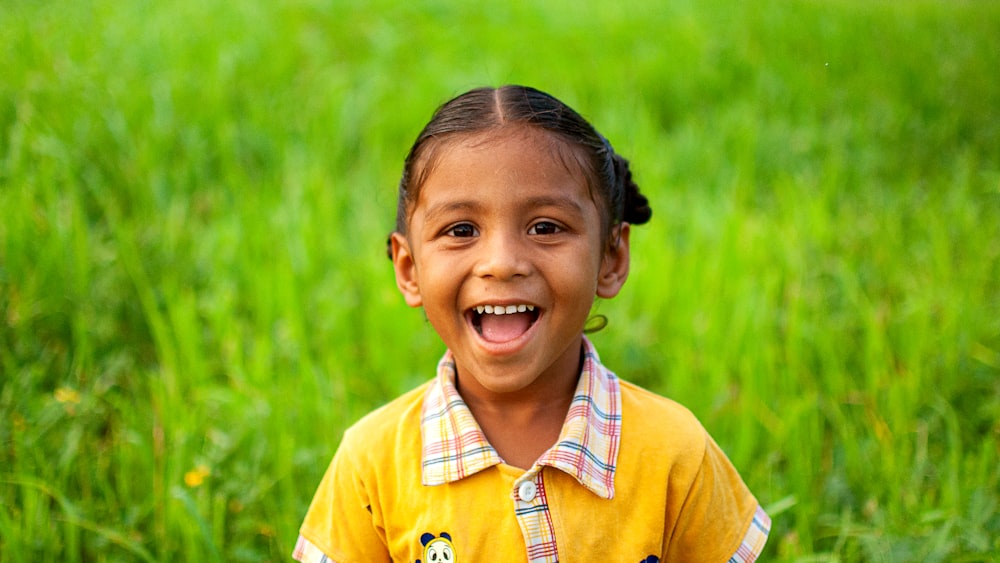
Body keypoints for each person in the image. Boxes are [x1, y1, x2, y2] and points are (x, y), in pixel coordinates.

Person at [293, 85, 770, 562]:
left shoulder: (674, 452)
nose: (501, 263)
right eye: (461, 231)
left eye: (545, 227)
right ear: (409, 269)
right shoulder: (372, 463)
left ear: (611, 257)